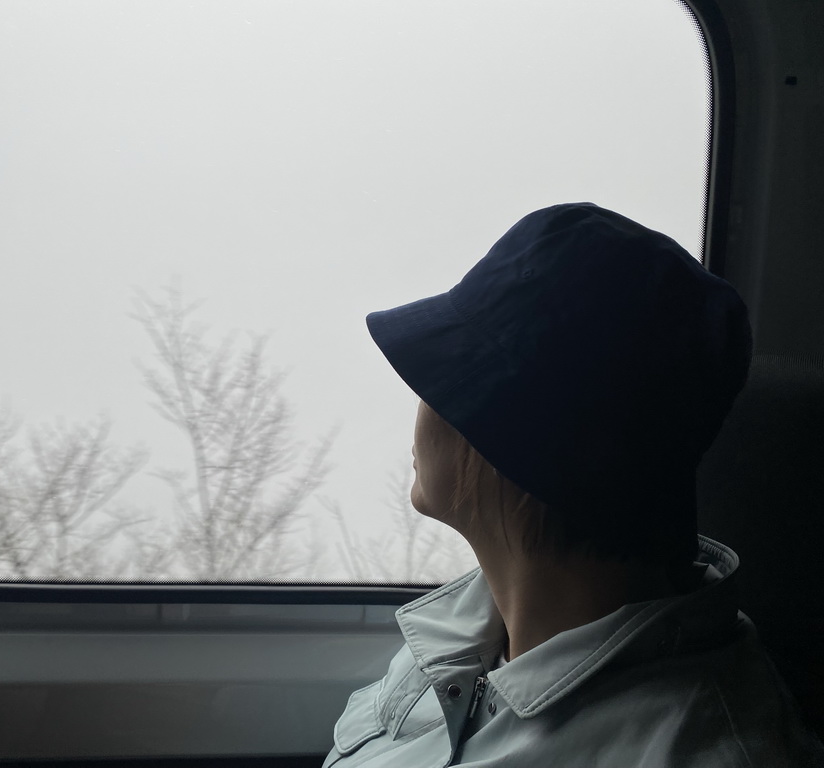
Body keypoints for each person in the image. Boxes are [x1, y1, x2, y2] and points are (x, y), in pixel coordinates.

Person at [323, 203, 824, 767]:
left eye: (446, 378)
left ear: (512, 440)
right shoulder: (455, 642)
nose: (420, 405)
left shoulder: (698, 752)